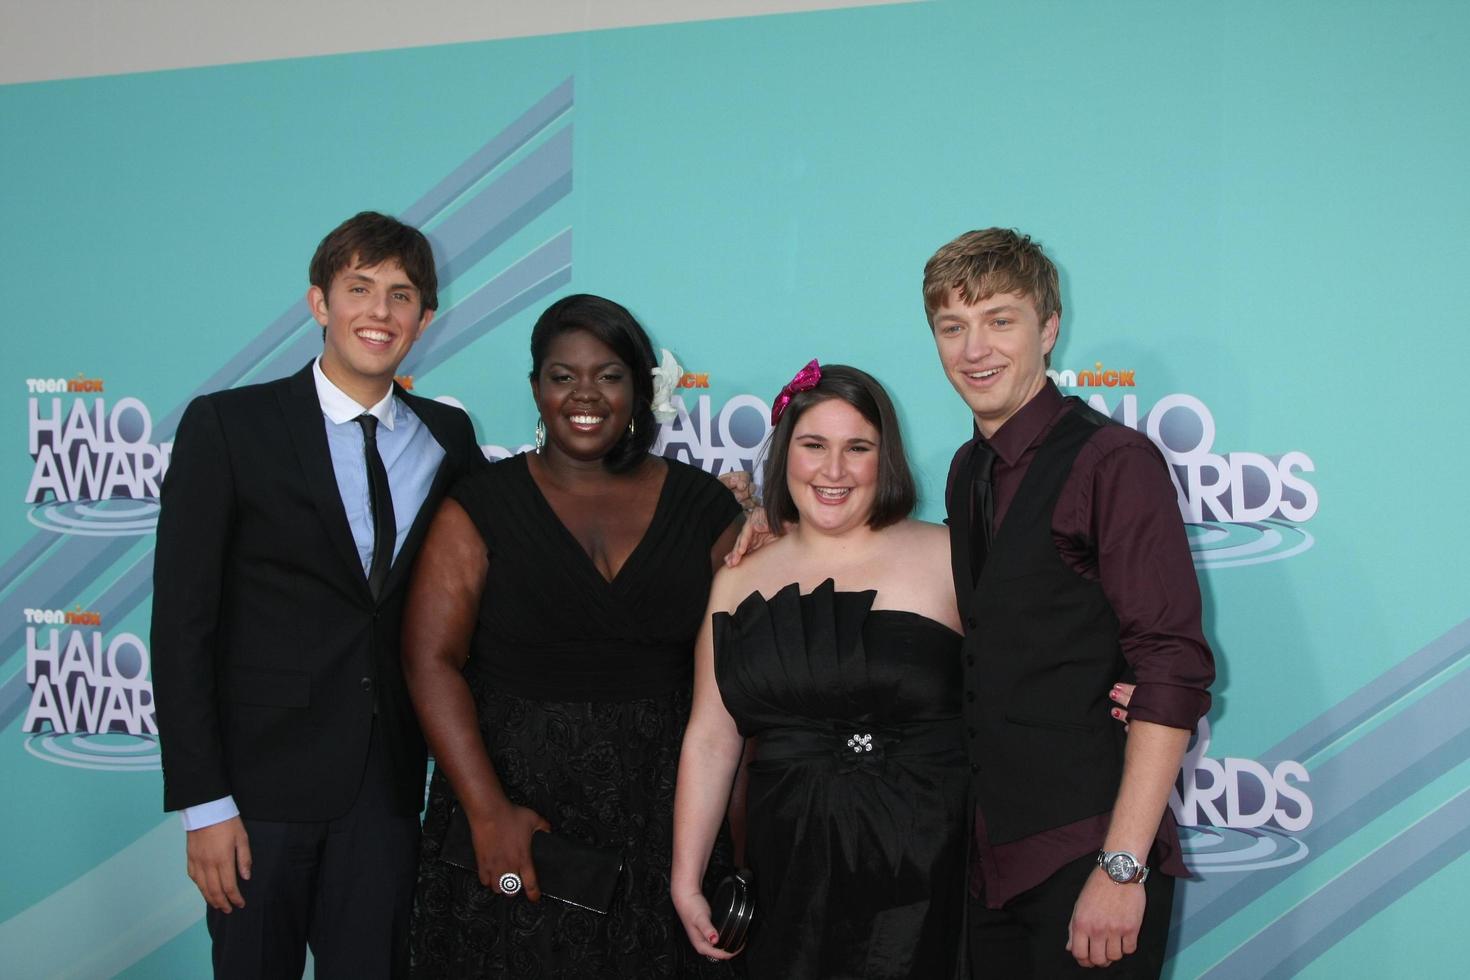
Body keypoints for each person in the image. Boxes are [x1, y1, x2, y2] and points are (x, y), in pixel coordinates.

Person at [152, 211, 485, 978]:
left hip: (387, 788)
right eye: (359, 288)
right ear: (319, 303)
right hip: (256, 796)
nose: (380, 311)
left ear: (425, 319)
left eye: (401, 296)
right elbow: (181, 625)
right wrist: (204, 806)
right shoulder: (230, 426)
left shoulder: (448, 439)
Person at [402, 293, 745, 978]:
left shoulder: (704, 506)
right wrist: (487, 810)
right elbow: (428, 660)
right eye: (563, 376)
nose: (585, 394)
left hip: (664, 818)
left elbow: (740, 672)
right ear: (537, 388)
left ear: (641, 390)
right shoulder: (482, 504)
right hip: (518, 818)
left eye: (609, 375)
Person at [923, 228, 1215, 977]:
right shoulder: (966, 469)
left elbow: (1172, 668)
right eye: (952, 327)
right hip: (991, 860)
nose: (974, 348)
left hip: (1087, 854)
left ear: (1049, 329)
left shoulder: (1113, 462)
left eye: (1000, 320)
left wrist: (1121, 869)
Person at [673, 363, 970, 980]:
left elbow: (1019, 688)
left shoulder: (947, 556)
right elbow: (711, 737)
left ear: (884, 458)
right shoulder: (737, 575)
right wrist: (686, 876)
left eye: (856, 448)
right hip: (788, 865)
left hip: (929, 859)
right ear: (786, 453)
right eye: (814, 446)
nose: (833, 471)